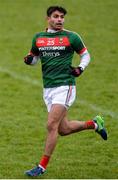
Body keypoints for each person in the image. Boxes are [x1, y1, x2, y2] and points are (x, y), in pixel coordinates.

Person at [24, 6, 107, 177]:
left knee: (51, 125)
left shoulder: (71, 37)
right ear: (48, 18)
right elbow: (34, 59)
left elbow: (86, 55)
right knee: (63, 129)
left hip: (65, 86)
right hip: (48, 88)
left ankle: (41, 167)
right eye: (56, 16)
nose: (60, 19)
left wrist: (80, 69)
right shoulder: (38, 38)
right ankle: (95, 124)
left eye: (62, 17)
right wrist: (30, 60)